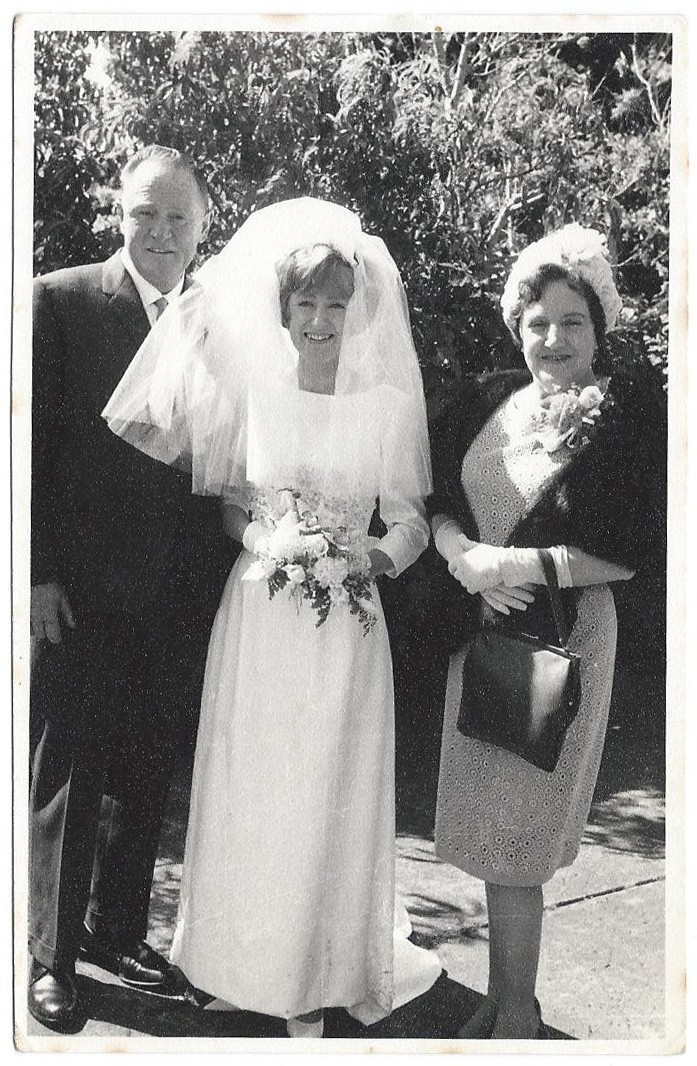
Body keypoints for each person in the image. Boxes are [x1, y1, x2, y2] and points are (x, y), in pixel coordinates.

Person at [102, 197, 442, 1037]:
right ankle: (237, 964)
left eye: (334, 303)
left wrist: (371, 557)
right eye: (305, 304)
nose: (320, 319)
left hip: (348, 630)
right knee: (253, 789)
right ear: (283, 312)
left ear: (356, 308)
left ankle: (318, 975)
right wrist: (271, 537)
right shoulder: (255, 395)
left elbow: (408, 521)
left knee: (326, 790)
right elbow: (228, 507)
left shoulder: (388, 409)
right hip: (258, 616)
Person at [426, 224, 666, 1039]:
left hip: (563, 645)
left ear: (598, 328)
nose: (553, 339)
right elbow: (436, 500)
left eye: (572, 321)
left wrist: (520, 566)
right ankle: (502, 996)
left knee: (521, 834)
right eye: (538, 322)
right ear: (515, 326)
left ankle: (517, 1019)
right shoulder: (485, 399)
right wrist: (460, 554)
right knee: (492, 831)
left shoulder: (626, 418)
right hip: (482, 639)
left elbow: (638, 553)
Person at [29, 145, 234, 1032]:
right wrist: (33, 571)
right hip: (75, 587)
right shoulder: (60, 300)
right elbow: (20, 448)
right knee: (68, 775)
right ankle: (53, 957)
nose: (159, 232)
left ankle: (117, 931)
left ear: (202, 226)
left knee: (146, 771)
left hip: (179, 592)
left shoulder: (218, 320)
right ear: (120, 213)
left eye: (177, 218)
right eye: (144, 213)